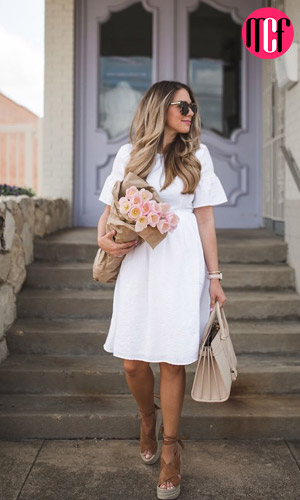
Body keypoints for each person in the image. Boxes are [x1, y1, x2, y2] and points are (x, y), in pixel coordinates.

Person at [97, 80, 228, 499]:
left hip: (182, 262)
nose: (190, 112)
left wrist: (215, 278)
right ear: (159, 107)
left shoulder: (197, 156)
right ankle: (146, 417)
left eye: (193, 106)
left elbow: (205, 219)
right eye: (182, 106)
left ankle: (171, 449)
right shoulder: (129, 154)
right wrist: (103, 240)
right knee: (133, 363)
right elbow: (109, 212)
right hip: (139, 262)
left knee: (173, 360)